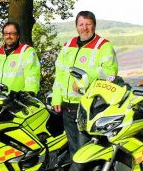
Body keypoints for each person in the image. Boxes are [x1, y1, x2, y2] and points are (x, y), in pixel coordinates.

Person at [51, 11, 118, 157]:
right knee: (74, 148)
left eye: (88, 24)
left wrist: (84, 81)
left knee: (86, 151)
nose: (84, 28)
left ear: (94, 26)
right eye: (81, 24)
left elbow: (110, 72)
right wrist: (56, 97)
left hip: (88, 107)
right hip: (67, 107)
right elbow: (60, 74)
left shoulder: (104, 46)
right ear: (76, 27)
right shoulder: (68, 45)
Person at [0, 21, 41, 95]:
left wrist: (30, 94)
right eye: (6, 34)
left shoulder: (27, 51)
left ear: (18, 35)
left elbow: (32, 76)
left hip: (17, 101)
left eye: (12, 33)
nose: (8, 36)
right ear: (3, 36)